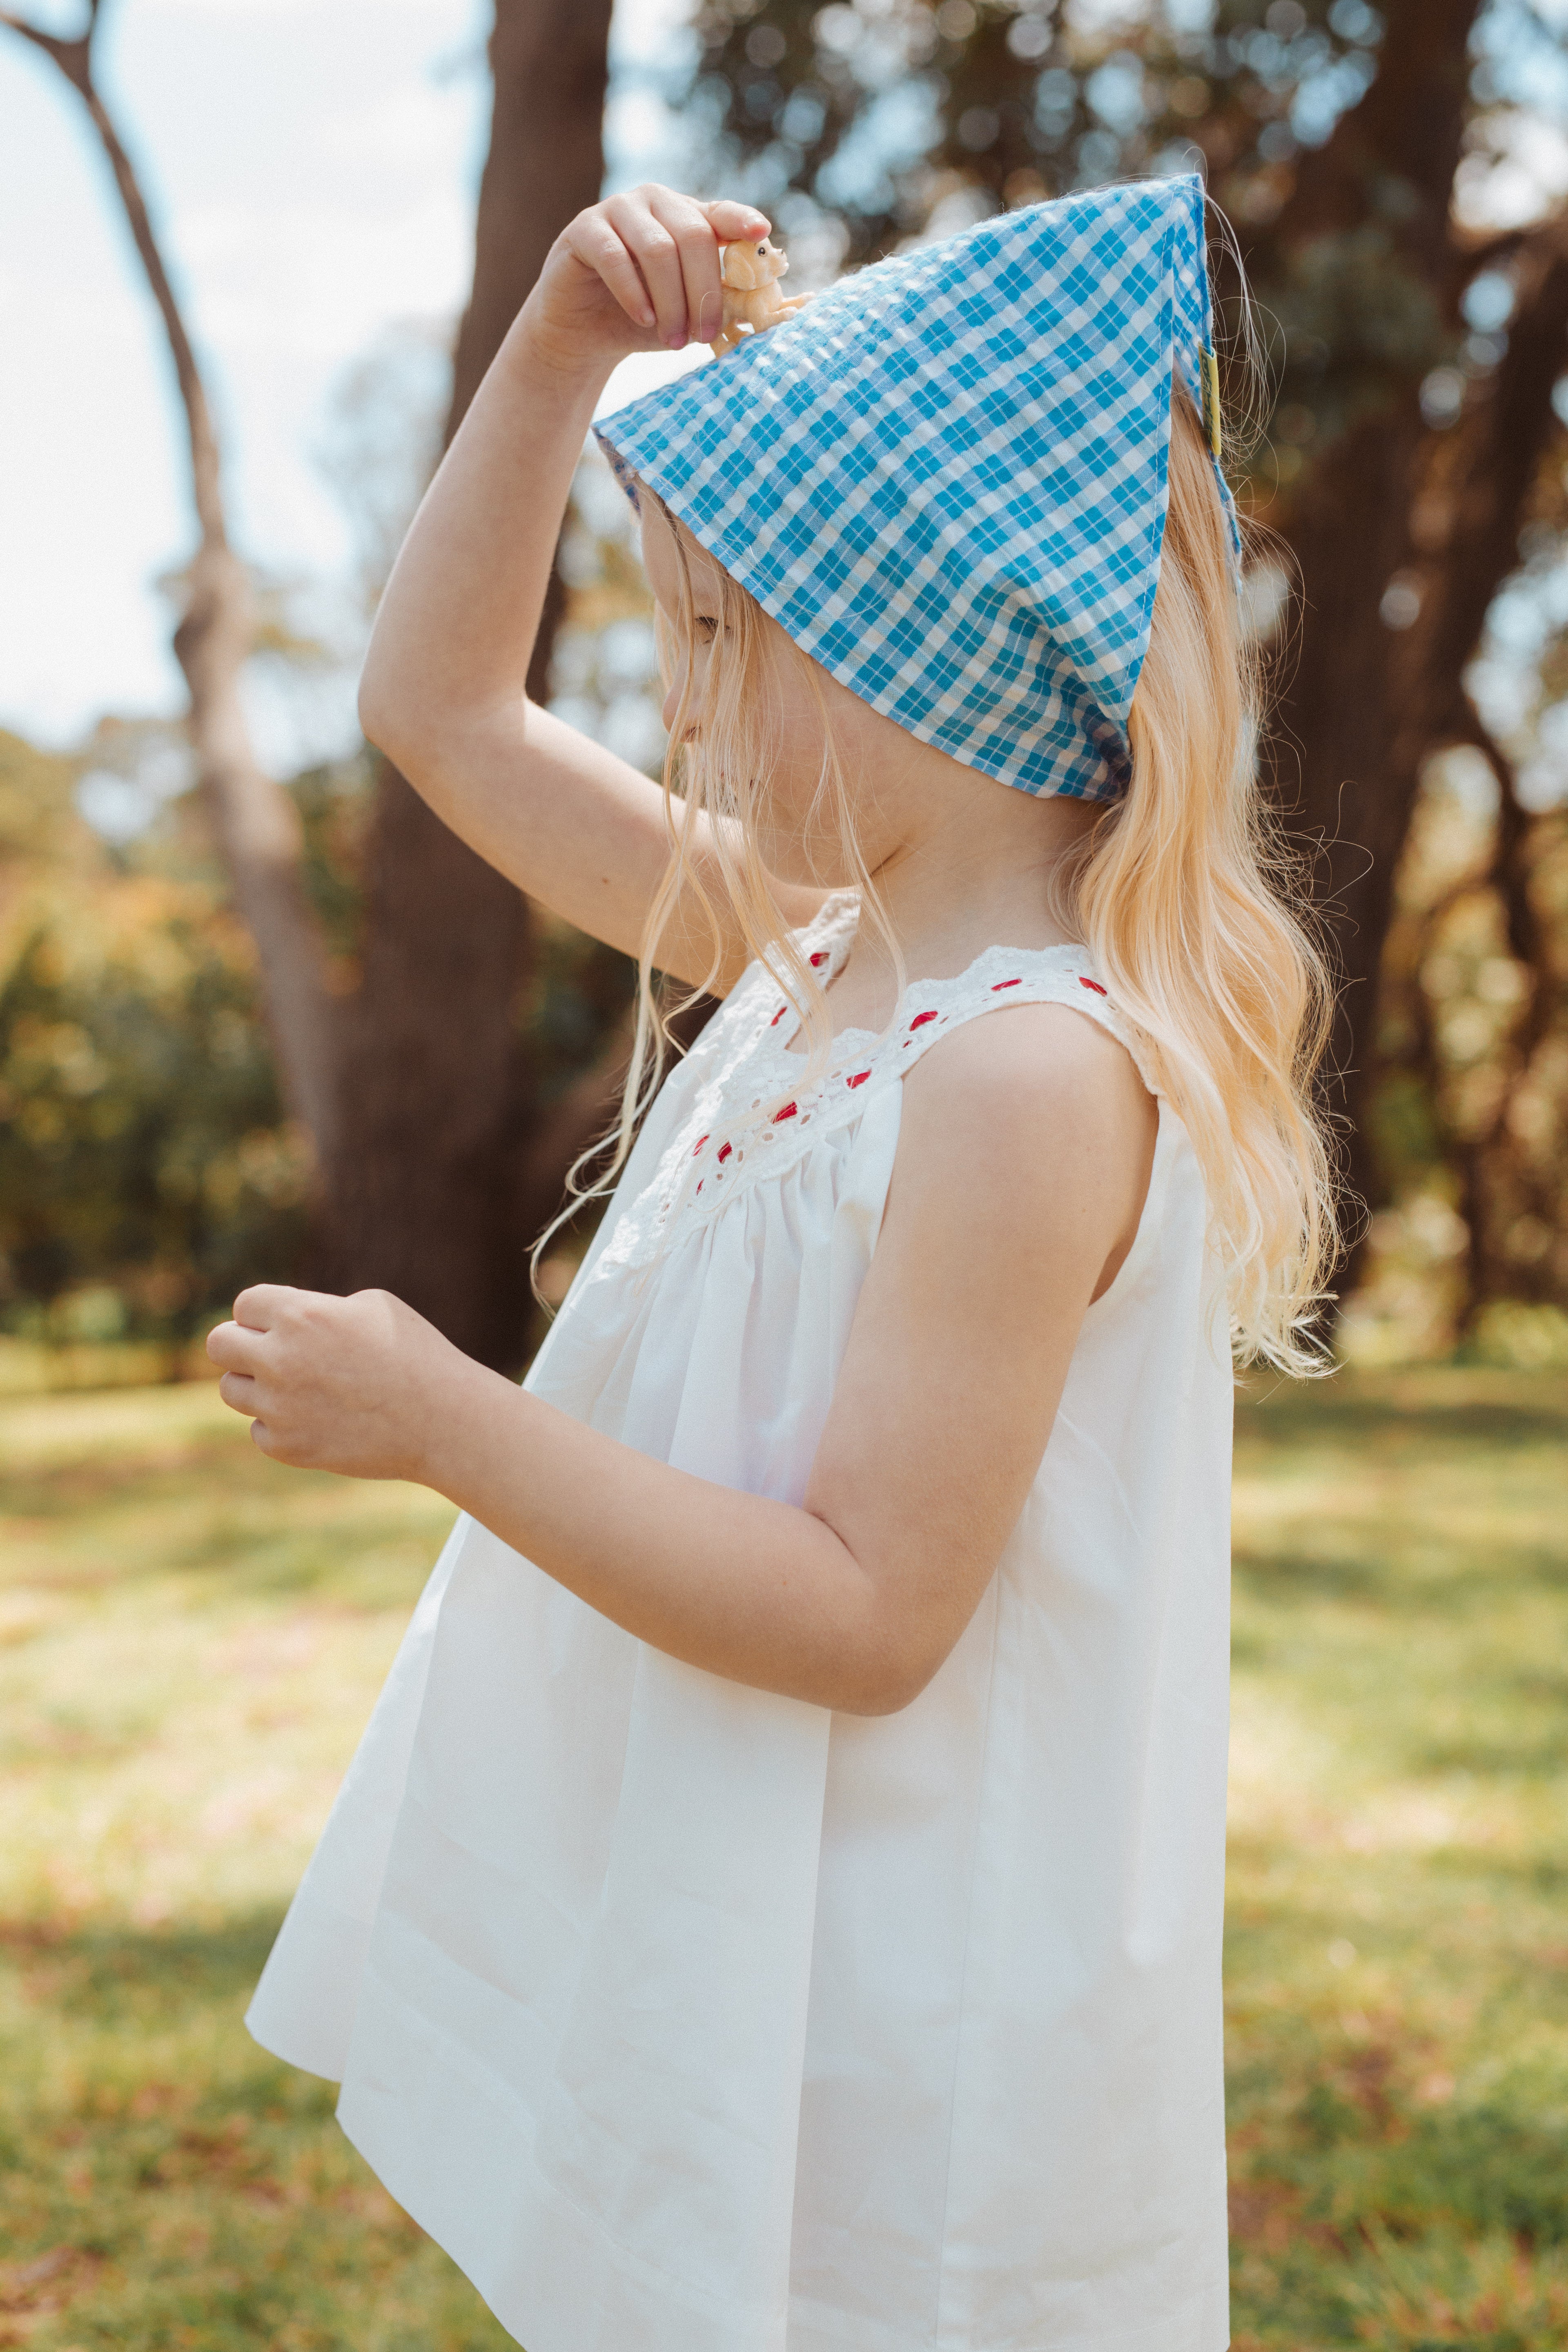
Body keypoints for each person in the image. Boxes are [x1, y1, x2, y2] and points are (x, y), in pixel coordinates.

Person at [211, 175, 1335, 2352]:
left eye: (730, 639)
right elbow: (444, 714)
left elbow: (867, 1608)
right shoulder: (813, 952)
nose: (688, 708)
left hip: (912, 2034)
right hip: (752, 1930)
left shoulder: (1020, 1072)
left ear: (933, 649)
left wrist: (450, 1420)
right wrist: (553, 355)